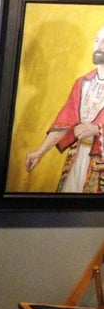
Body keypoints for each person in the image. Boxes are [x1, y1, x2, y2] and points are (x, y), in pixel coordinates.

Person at [24, 26, 104, 193]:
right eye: (97, 41)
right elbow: (64, 123)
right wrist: (40, 152)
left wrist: (97, 129)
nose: (100, 46)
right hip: (78, 158)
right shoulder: (82, 83)